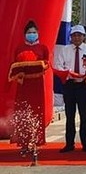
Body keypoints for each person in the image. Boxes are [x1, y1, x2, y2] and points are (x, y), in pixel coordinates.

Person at [55, 25, 86, 153]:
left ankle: (85, 143)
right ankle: (69, 143)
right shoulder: (64, 50)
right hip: (69, 85)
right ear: (71, 37)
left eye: (79, 35)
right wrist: (69, 73)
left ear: (83, 37)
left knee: (84, 115)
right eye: (74, 35)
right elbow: (58, 65)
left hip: (83, 85)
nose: (77, 37)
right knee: (70, 115)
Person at [11, 20, 50, 153]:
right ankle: (23, 142)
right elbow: (14, 65)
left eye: (33, 32)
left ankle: (35, 142)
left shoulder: (43, 48)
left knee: (36, 111)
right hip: (24, 84)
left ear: (38, 33)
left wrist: (41, 64)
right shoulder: (19, 48)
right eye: (29, 32)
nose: (31, 34)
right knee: (23, 111)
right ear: (24, 34)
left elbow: (46, 62)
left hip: (37, 84)